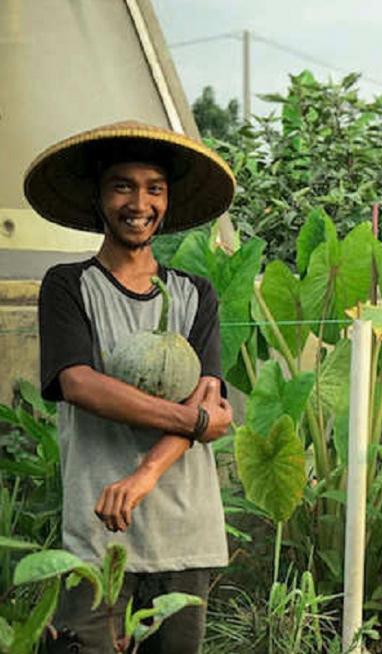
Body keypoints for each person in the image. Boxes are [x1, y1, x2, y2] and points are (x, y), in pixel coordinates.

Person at [26, 121, 235, 653]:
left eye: (154, 188)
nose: (138, 202)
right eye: (122, 185)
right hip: (98, 535)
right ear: (98, 195)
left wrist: (144, 475)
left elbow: (206, 393)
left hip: (184, 531)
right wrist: (194, 422)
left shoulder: (195, 294)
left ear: (166, 201)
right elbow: (80, 383)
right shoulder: (67, 285)